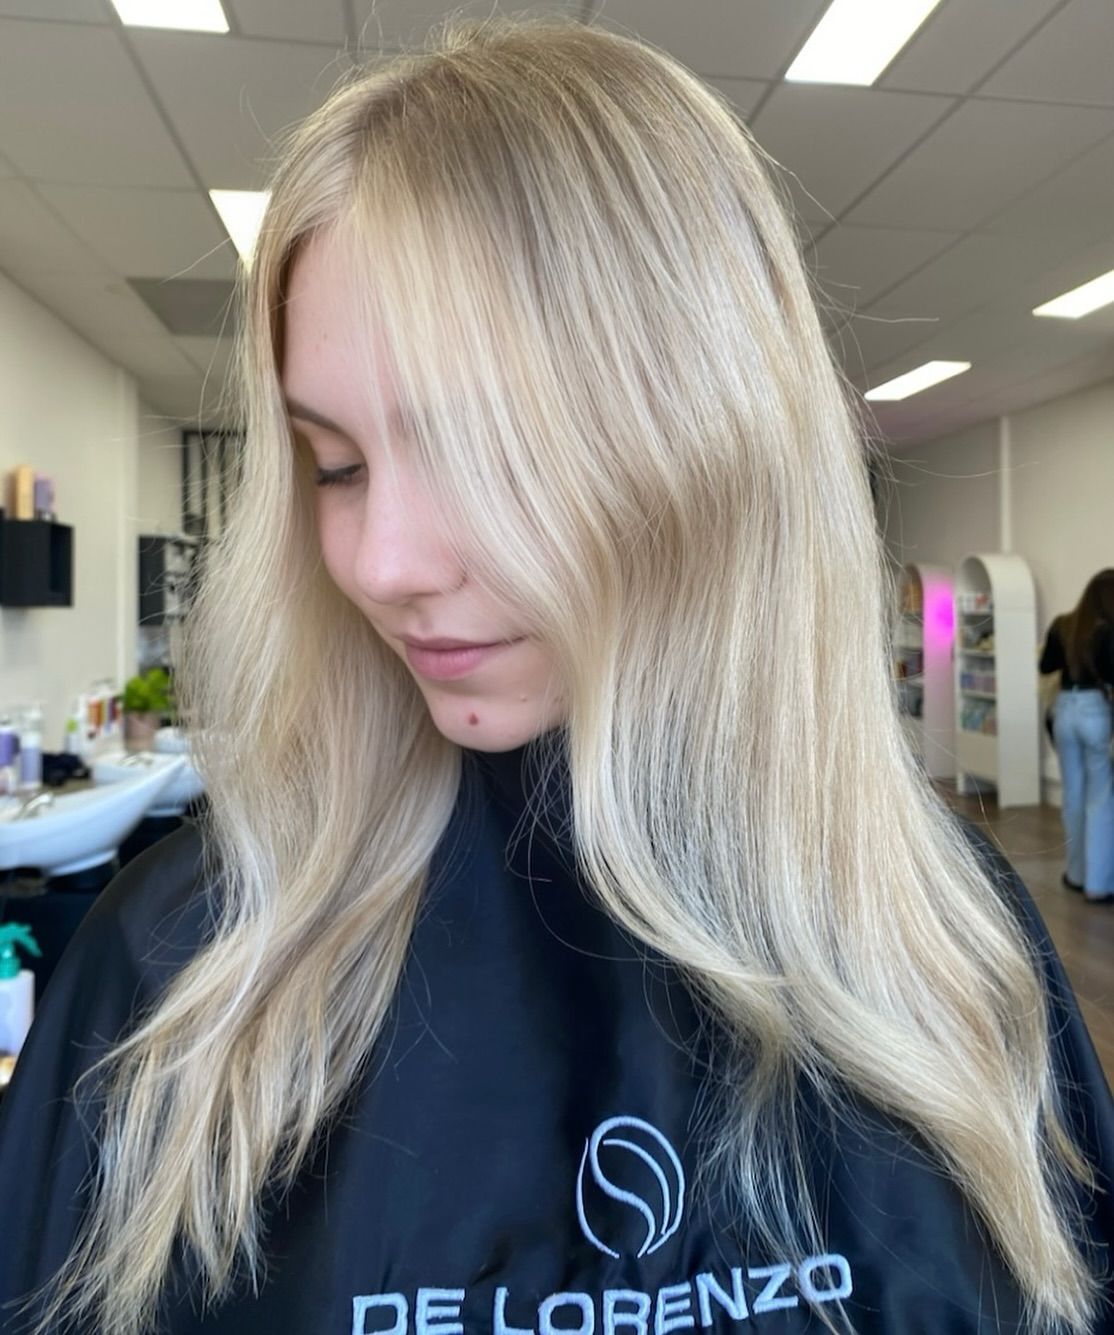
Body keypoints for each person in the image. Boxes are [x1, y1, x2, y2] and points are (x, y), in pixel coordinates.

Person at [1, 18, 1112, 1335]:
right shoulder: (183, 960)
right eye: (335, 463)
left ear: (707, 445)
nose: (380, 558)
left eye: (488, 446)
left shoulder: (943, 932)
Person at [1041, 569, 1114, 903]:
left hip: (1064, 711)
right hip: (1094, 712)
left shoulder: (1062, 625)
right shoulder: (1108, 632)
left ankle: (1075, 875)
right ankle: (1098, 885)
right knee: (1100, 799)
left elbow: (1045, 666)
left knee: (1073, 795)